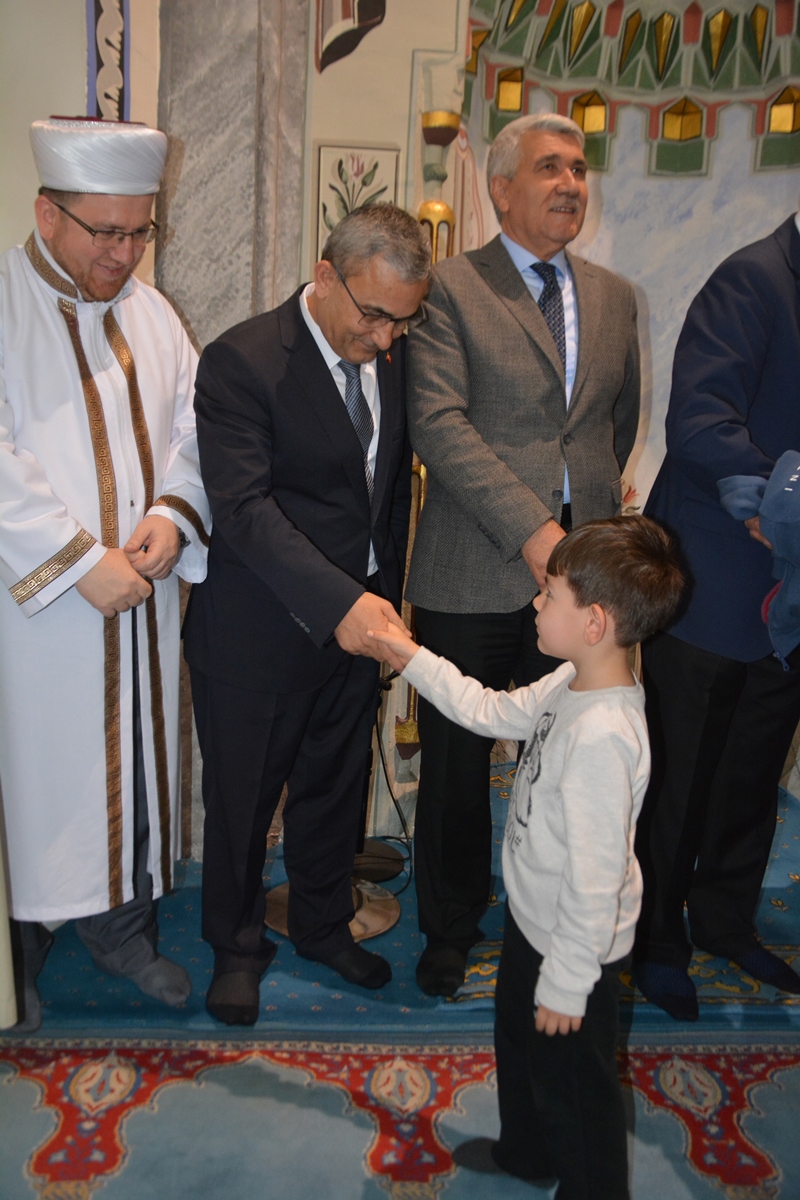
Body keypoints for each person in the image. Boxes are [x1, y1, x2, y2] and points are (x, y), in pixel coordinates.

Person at [369, 517, 684, 1200]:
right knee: (517, 1041)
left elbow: (597, 880)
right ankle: (526, 1151)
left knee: (577, 1087)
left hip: (577, 948)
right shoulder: (568, 680)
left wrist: (569, 982)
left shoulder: (604, 736)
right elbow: (488, 711)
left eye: (550, 594)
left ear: (594, 622)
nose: (535, 602)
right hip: (532, 917)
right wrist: (410, 657)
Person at [405, 112, 641, 995]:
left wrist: (584, 531)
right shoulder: (451, 288)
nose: (571, 183)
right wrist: (536, 530)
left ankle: (557, 918)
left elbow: (614, 426)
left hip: (584, 581)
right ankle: (450, 925)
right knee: (458, 762)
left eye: (578, 168)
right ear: (500, 189)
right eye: (549, 168)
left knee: (576, 755)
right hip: (471, 564)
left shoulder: (614, 297)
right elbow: (438, 424)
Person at [183, 204, 430, 1026]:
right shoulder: (243, 361)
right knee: (244, 804)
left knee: (334, 788)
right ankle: (235, 948)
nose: (387, 338)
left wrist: (387, 592)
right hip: (255, 634)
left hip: (356, 630)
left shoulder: (391, 353)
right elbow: (244, 509)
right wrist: (342, 603)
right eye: (375, 315)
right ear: (326, 276)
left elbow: (387, 489)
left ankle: (323, 926)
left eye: (403, 321)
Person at [0, 116, 211, 1031]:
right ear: (47, 214)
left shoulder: (153, 315)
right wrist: (81, 562)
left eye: (140, 232)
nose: (125, 254)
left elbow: (197, 428)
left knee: (134, 769)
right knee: (35, 778)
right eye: (106, 232)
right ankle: (16, 956)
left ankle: (123, 935)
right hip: (33, 617)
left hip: (140, 606)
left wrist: (172, 514)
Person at [635, 215, 800, 1021]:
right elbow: (701, 420)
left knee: (753, 772)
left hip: (788, 593)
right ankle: (655, 940)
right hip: (714, 577)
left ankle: (725, 921)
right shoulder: (754, 278)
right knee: (680, 778)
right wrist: (776, 504)